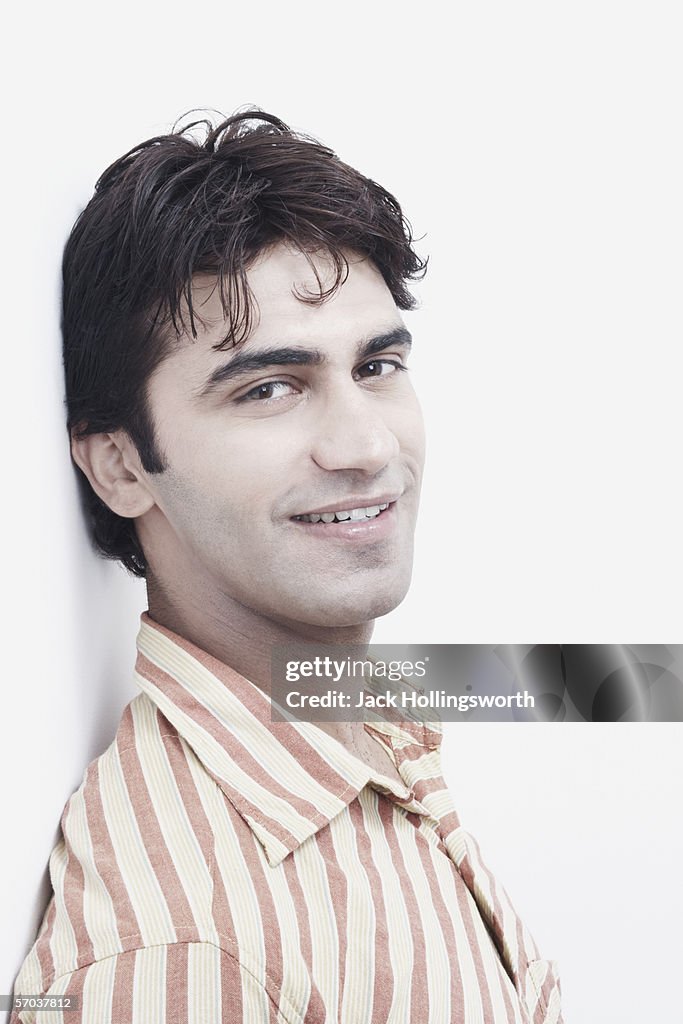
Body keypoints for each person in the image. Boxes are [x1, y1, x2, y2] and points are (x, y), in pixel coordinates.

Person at [10, 111, 564, 1024]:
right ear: (119, 466)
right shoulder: (178, 947)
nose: (366, 443)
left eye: (378, 364)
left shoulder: (353, 731)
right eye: (268, 388)